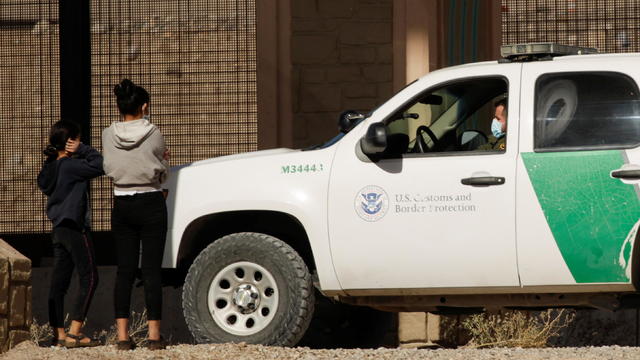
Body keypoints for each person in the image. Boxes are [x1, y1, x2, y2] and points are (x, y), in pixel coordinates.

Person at [102, 79, 169, 351]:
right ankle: (154, 337)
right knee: (152, 271)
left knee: (125, 271)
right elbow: (162, 166)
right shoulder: (153, 132)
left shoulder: (108, 134)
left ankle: (122, 337)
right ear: (144, 106)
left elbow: (108, 164)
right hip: (151, 200)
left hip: (122, 200)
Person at [37, 121, 103, 348]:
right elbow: (101, 165)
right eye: (77, 139)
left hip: (58, 229)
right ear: (70, 142)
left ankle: (59, 334)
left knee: (59, 283)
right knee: (90, 277)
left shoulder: (50, 168)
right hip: (74, 227)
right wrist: (83, 149)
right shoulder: (69, 166)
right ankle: (76, 332)